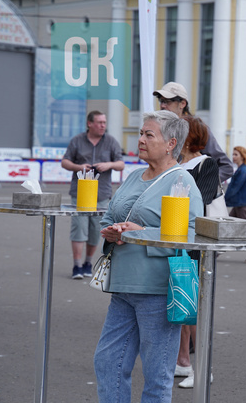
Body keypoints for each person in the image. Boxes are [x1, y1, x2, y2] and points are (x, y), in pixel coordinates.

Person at [94, 111, 203, 402]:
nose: (140, 139)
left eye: (148, 134)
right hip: (122, 287)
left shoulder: (182, 182)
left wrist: (141, 233)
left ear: (171, 143)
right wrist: (113, 231)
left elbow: (192, 237)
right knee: (108, 363)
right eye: (141, 133)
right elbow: (109, 214)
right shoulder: (132, 176)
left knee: (157, 376)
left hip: (157, 290)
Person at [175, 115, 220, 389]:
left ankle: (203, 367)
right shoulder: (178, 164)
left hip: (196, 241)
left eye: (181, 132)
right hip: (177, 238)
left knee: (195, 305)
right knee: (180, 302)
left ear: (192, 137)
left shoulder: (205, 163)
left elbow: (201, 200)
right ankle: (182, 361)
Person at [61, 110, 125, 280]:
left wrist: (108, 164)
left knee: (96, 231)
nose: (103, 125)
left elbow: (121, 164)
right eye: (99, 122)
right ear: (90, 123)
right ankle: (76, 265)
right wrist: (79, 167)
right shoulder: (77, 140)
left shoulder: (111, 141)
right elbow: (65, 161)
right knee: (78, 229)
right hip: (80, 193)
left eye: (104, 122)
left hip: (102, 194)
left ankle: (88, 262)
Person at [153, 82, 234, 182]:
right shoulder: (158, 128)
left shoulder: (196, 130)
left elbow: (226, 167)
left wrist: (201, 186)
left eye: (167, 101)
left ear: (182, 103)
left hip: (188, 195)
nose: (163, 106)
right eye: (161, 101)